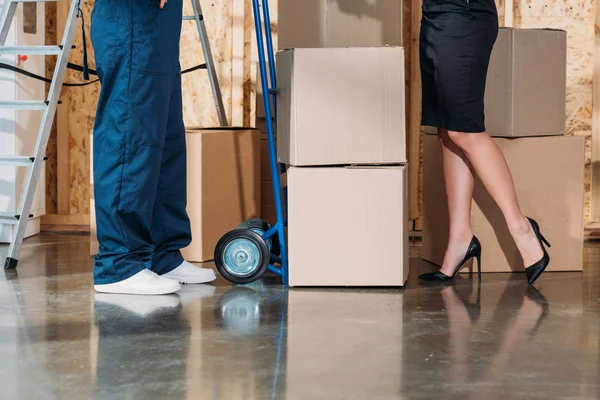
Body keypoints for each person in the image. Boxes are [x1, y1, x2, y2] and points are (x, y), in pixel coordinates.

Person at [417, 0, 550, 284]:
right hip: (435, 16)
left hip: (464, 15)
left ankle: (522, 228)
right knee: (449, 131)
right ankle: (460, 238)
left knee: (465, 130)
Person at [91, 0, 216, 295]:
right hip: (132, 16)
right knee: (130, 135)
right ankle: (119, 264)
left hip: (160, 20)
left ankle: (163, 254)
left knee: (165, 141)